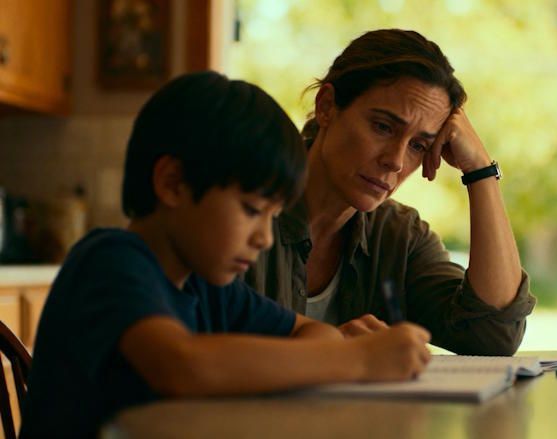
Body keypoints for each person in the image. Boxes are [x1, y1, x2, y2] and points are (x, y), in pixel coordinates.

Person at [20, 71, 431, 438]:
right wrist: (357, 361)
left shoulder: (205, 285)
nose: (264, 239)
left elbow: (315, 332)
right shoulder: (111, 262)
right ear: (173, 183)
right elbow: (181, 367)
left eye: (273, 216)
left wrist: (335, 351)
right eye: (252, 210)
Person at [246, 29, 536, 356]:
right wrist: (329, 353)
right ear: (327, 106)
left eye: (418, 146)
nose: (396, 161)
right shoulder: (243, 207)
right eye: (383, 127)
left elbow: (494, 334)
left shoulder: (399, 236)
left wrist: (480, 171)